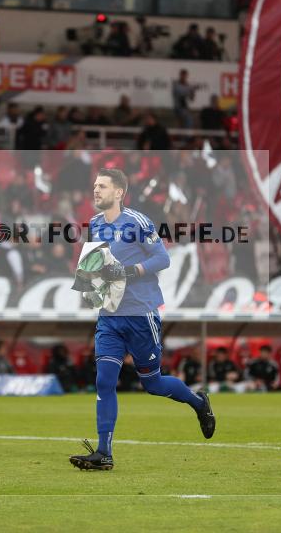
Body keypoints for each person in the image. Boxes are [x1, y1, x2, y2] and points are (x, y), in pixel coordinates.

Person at [68, 168, 214, 471]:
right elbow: (93, 266)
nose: (95, 191)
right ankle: (104, 453)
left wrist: (130, 271)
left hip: (140, 313)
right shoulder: (94, 225)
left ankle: (198, 403)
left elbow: (163, 258)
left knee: (153, 383)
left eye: (102, 186)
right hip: (109, 315)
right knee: (104, 381)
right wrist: (87, 282)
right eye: (95, 186)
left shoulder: (137, 222)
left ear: (119, 192)